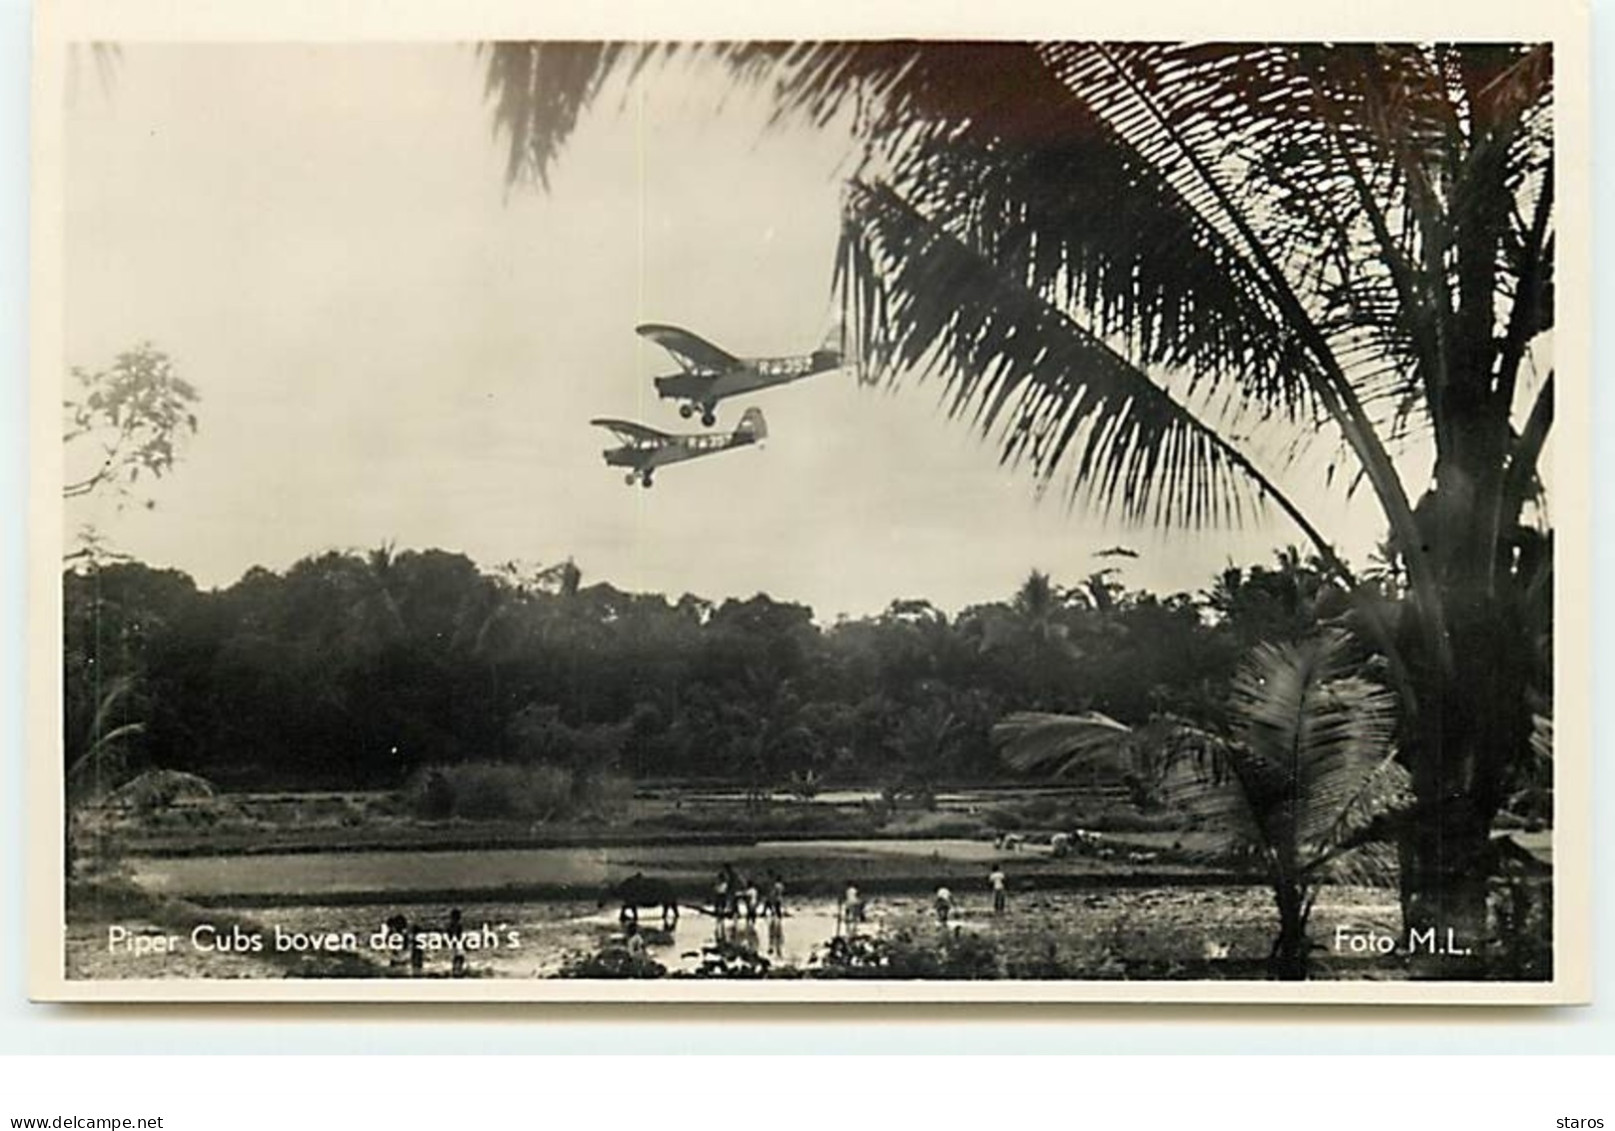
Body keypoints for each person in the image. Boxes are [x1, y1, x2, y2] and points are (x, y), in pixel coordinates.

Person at [446, 908, 466, 978]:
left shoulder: (451, 926)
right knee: (459, 957)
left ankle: (456, 970)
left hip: (454, 944)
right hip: (457, 944)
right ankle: (457, 970)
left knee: (457, 957)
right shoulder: (458, 926)